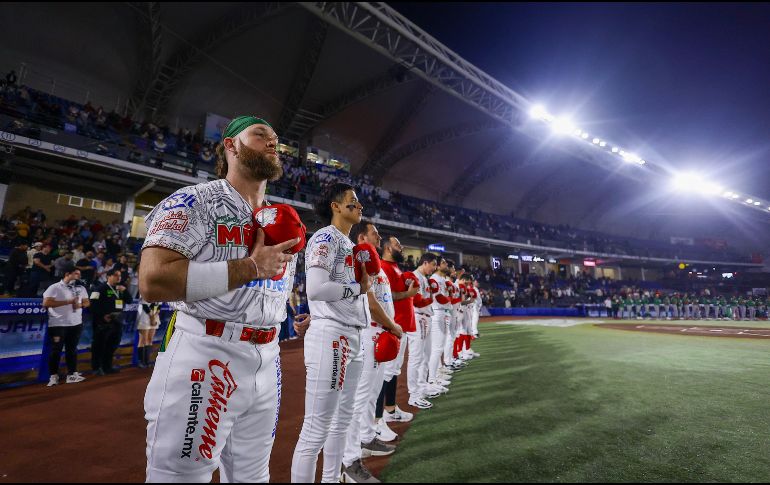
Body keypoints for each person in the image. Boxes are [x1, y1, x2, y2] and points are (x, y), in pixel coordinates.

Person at [139, 115, 307, 483]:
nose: (272, 142)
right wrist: (249, 266)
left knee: (252, 476)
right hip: (207, 351)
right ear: (230, 145)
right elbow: (152, 280)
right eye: (261, 134)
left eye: (276, 137)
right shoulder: (194, 200)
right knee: (181, 475)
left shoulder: (281, 216)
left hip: (267, 357)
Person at [291, 183, 375, 483]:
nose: (359, 206)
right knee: (316, 428)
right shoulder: (326, 238)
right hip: (333, 337)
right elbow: (315, 288)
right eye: (353, 201)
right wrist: (357, 288)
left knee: (342, 422)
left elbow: (329, 297)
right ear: (335, 206)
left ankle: (331, 479)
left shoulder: (350, 245)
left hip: (351, 334)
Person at [340, 222, 403, 483]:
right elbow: (369, 301)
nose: (379, 236)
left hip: (380, 332)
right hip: (369, 332)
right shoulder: (361, 258)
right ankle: (348, 461)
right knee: (359, 398)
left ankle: (366, 438)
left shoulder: (373, 259)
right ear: (363, 237)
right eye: (375, 233)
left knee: (371, 394)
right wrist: (392, 324)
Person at [42, 266, 90, 386]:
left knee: (72, 350)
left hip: (76, 323)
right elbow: (46, 303)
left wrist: (81, 306)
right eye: (76, 273)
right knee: (56, 351)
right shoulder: (55, 287)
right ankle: (53, 376)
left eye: (79, 274)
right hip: (58, 324)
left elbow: (87, 301)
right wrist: (68, 302)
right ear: (67, 274)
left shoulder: (81, 288)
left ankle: (72, 374)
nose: (79, 276)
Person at [90, 268, 133, 375]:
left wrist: (125, 290)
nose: (119, 277)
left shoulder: (120, 288)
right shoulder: (99, 288)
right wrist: (102, 316)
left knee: (112, 345)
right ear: (108, 276)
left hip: (117, 321)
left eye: (120, 275)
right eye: (116, 275)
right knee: (99, 345)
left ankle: (107, 366)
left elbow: (130, 300)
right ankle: (96, 367)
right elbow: (92, 304)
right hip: (103, 322)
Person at [136, 295, 161, 368]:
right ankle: (141, 361)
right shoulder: (146, 288)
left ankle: (147, 361)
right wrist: (152, 317)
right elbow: (144, 305)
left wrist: (155, 315)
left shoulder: (160, 292)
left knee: (150, 339)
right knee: (143, 340)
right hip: (144, 316)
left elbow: (159, 306)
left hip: (155, 316)